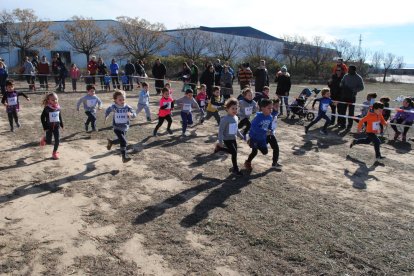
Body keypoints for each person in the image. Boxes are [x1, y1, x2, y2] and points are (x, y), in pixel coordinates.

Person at [244, 98, 278, 170]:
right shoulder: (257, 117)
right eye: (269, 108)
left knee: (265, 152)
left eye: (271, 108)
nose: (271, 110)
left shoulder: (270, 117)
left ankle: (256, 145)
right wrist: (265, 132)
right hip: (254, 137)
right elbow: (254, 128)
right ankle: (248, 162)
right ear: (262, 108)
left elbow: (269, 125)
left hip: (262, 138)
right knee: (254, 152)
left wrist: (271, 130)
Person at [214, 98, 244, 175]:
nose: (235, 110)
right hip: (227, 139)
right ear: (227, 109)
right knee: (233, 152)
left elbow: (236, 129)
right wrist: (220, 141)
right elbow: (220, 131)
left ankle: (234, 167)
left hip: (233, 138)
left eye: (236, 108)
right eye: (232, 108)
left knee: (235, 153)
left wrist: (241, 136)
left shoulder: (236, 118)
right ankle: (236, 169)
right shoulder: (225, 119)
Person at [105, 90, 136, 163]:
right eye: (120, 100)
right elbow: (108, 110)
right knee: (123, 141)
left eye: (123, 99)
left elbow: (134, 114)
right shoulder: (114, 107)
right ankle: (124, 157)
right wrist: (106, 116)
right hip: (117, 127)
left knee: (120, 140)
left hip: (124, 127)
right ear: (115, 100)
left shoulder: (127, 107)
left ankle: (111, 142)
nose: (122, 101)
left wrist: (131, 115)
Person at [337, 65, 364, 129]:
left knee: (351, 112)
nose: (348, 70)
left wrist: (353, 90)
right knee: (342, 111)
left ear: (354, 70)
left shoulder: (358, 78)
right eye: (348, 69)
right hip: (344, 96)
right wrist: (341, 85)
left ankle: (349, 125)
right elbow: (342, 82)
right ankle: (343, 124)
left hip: (352, 97)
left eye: (349, 69)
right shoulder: (346, 76)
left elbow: (362, 87)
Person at [40, 92, 64, 160]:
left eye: (56, 99)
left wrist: (61, 123)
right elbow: (42, 117)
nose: (55, 101)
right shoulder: (47, 108)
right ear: (48, 100)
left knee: (57, 140)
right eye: (53, 100)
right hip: (49, 127)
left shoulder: (58, 107)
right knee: (49, 142)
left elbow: (59, 115)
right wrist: (45, 126)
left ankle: (54, 153)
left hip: (56, 126)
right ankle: (44, 139)